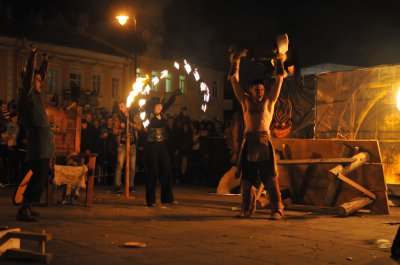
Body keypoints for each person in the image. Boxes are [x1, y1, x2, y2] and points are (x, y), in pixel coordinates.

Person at [229, 34, 288, 220]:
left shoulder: (269, 102)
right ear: (251, 90)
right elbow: (234, 80)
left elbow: (279, 80)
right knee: (246, 180)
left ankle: (277, 209)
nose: (260, 92)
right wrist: (235, 61)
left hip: (264, 142)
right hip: (249, 142)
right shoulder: (245, 102)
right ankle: (247, 209)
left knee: (270, 178)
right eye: (257, 90)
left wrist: (279, 61)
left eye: (262, 90)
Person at [16, 43, 54, 222]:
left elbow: (41, 75)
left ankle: (28, 206)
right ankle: (25, 208)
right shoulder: (26, 93)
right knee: (40, 174)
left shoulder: (36, 95)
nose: (41, 82)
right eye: (37, 80)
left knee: (39, 174)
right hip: (38, 140)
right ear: (31, 81)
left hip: (42, 141)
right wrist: (33, 55)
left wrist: (45, 62)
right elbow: (31, 73)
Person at [143, 90, 182, 207]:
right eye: (157, 105)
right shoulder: (149, 115)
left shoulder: (162, 113)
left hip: (162, 146)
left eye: (161, 105)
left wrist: (173, 95)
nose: (159, 107)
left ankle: (167, 198)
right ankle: (151, 200)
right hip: (151, 146)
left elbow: (169, 104)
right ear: (153, 107)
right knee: (153, 172)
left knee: (167, 170)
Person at [114, 102, 140, 194]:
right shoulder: (118, 117)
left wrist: (131, 124)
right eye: (119, 107)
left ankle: (131, 185)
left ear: (126, 106)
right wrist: (121, 129)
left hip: (132, 144)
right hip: (122, 144)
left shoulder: (132, 115)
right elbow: (115, 131)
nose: (121, 108)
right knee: (119, 165)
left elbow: (139, 127)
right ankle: (118, 186)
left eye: (122, 106)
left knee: (132, 167)